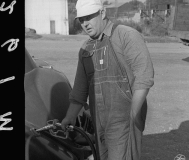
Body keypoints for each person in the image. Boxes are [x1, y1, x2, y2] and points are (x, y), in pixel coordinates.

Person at [61, 0, 154, 159]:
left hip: (123, 120)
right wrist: (70, 117)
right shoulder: (85, 49)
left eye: (89, 17)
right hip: (99, 122)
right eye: (81, 20)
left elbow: (144, 76)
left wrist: (134, 113)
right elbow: (79, 91)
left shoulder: (126, 35)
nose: (85, 24)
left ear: (102, 13)